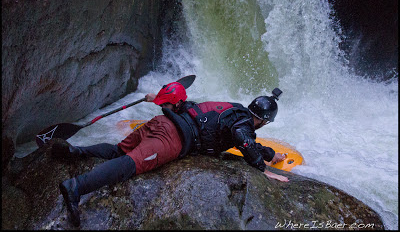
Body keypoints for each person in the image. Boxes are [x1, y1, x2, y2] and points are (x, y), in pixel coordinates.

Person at [52, 81, 288, 227]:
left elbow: (189, 106)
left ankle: (76, 151)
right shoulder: (244, 125)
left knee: (117, 151)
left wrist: (268, 154)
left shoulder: (232, 108)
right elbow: (244, 142)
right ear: (263, 121)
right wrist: (263, 169)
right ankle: (76, 187)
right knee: (128, 164)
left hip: (161, 122)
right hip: (171, 139)